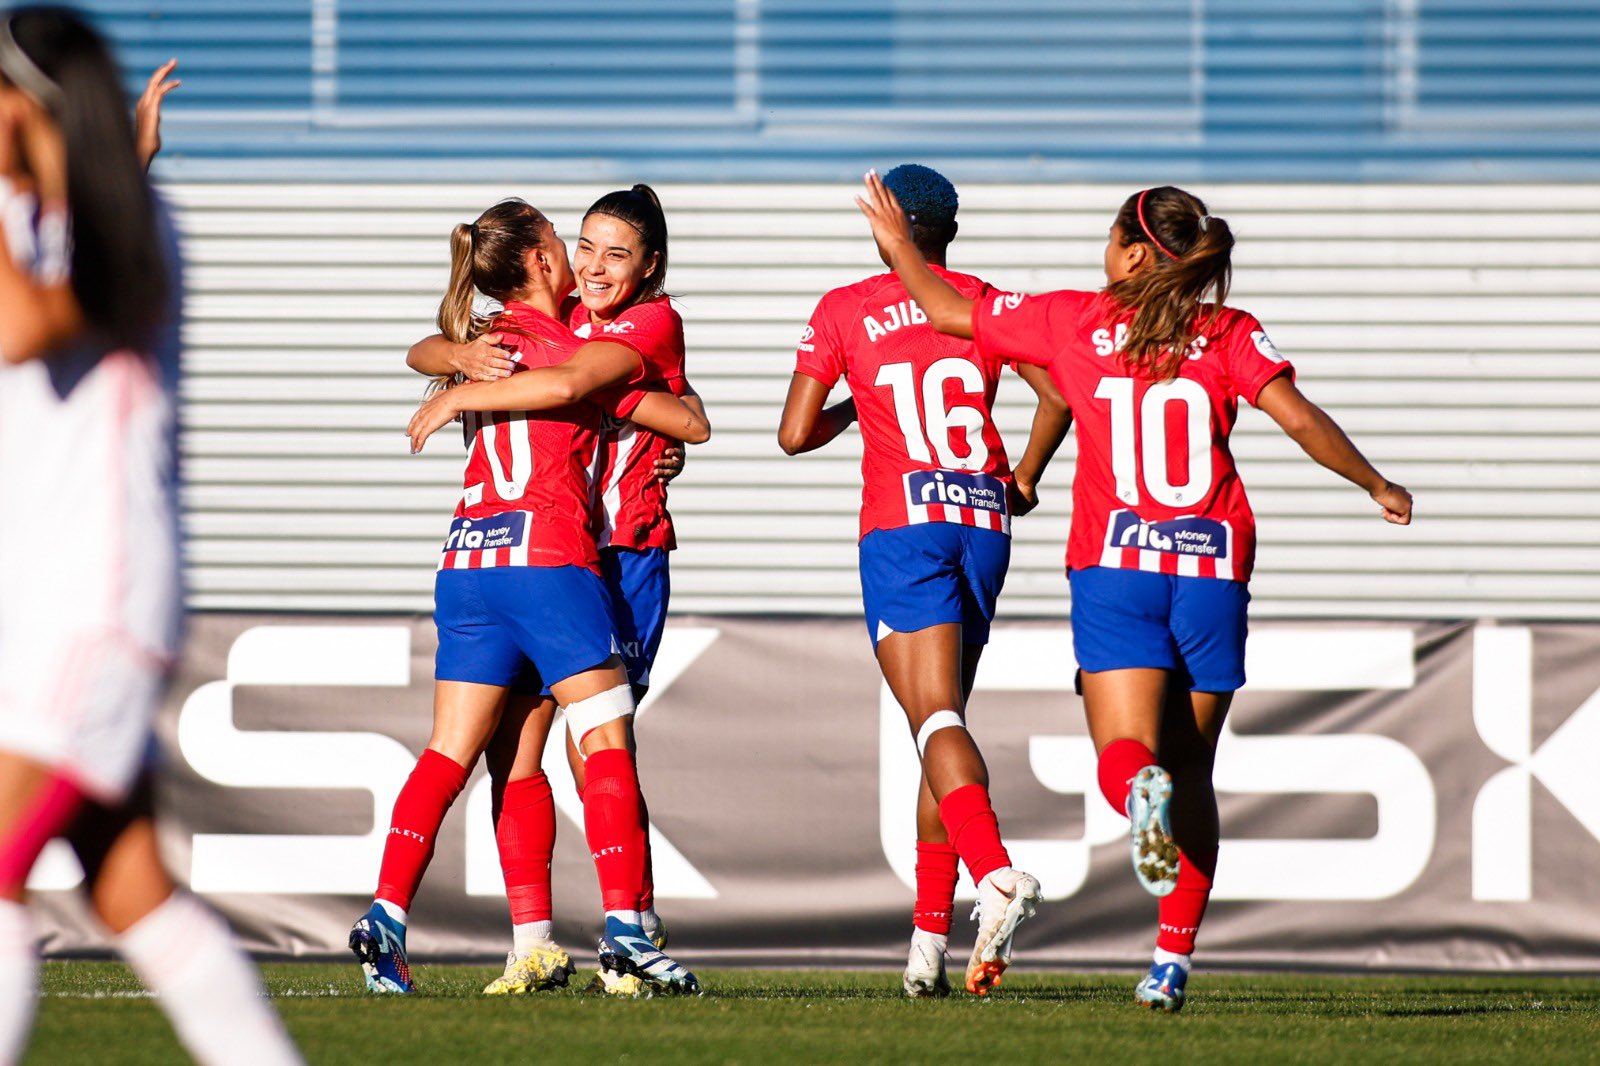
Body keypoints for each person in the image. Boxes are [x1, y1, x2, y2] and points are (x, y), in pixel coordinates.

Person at [856, 173, 1413, 1012]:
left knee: (1128, 757)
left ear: (1125, 249)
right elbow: (1297, 416)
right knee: (1195, 771)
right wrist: (1376, 484)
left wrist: (897, 241)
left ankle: (1135, 802)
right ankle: (1171, 962)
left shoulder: (1077, 321)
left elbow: (942, 311)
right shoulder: (1229, 332)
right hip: (1215, 570)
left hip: (1119, 567)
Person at [0, 9, 301, 1064]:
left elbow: (26, 325)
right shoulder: (45, 215)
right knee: (131, 892)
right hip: (47, 605)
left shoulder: (124, 224)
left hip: (97, 598)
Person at [356, 197, 707, 998]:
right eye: (576, 244)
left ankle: (389, 915)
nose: (590, 262)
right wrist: (455, 372)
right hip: (557, 559)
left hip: (471, 562)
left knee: (466, 753)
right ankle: (623, 930)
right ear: (547, 262)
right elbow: (609, 395)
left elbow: (685, 420)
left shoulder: (516, 339)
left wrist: (456, 377)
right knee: (600, 745)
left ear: (648, 264)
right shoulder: (569, 342)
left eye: (614, 253)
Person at [780, 164, 1072, 998]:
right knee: (937, 727)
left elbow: (794, 434)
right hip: (982, 521)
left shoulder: (846, 309)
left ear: (891, 226)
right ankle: (926, 949)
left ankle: (996, 876)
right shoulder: (978, 301)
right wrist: (1023, 475)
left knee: (933, 717)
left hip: (904, 527)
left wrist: (860, 402)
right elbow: (1056, 394)